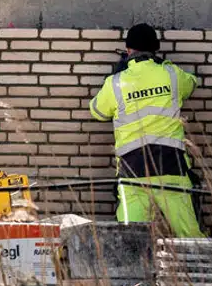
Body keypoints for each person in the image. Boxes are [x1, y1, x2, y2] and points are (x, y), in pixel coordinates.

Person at [88, 24, 205, 236]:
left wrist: (115, 74)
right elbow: (192, 83)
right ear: (155, 49)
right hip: (171, 166)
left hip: (133, 170)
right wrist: (165, 66)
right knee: (190, 236)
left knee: (132, 239)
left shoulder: (116, 82)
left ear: (128, 50)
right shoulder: (171, 74)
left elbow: (97, 111)